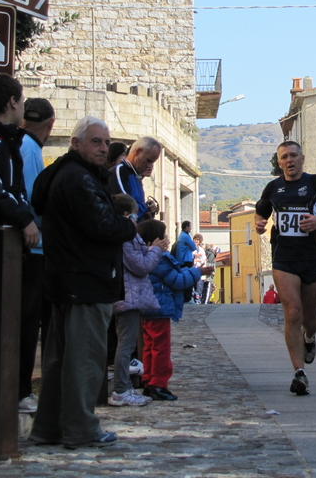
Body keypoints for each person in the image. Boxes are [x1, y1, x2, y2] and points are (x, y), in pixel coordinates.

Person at [28, 116, 137, 449]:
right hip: (86, 281)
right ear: (75, 143)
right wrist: (130, 225)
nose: (103, 148)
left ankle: (48, 427)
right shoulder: (80, 179)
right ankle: (81, 428)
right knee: (85, 359)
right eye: (95, 141)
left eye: (106, 142)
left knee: (60, 359)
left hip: (64, 278)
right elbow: (103, 226)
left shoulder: (60, 174)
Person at [255, 141, 316, 396]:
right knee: (293, 313)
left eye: (293, 155)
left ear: (302, 158)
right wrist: (259, 225)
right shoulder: (273, 187)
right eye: (284, 157)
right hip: (284, 259)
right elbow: (260, 213)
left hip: (313, 259)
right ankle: (299, 373)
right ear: (279, 162)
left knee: (309, 319)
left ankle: (309, 337)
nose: (289, 160)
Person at [0, 74, 41, 417]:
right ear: (13, 103)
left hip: (14, 243)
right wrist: (25, 218)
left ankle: (10, 391)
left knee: (14, 320)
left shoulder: (11, 139)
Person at [139, 219, 214, 401]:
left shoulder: (142, 256)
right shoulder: (160, 259)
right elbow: (178, 280)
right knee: (161, 348)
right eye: (164, 237)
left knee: (149, 346)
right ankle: (159, 384)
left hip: (146, 309)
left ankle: (148, 380)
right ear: (155, 241)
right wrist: (198, 273)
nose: (168, 240)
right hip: (160, 308)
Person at [110, 194, 167, 407]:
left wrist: (151, 247)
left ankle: (123, 387)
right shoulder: (125, 234)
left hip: (129, 295)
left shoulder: (128, 235)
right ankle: (121, 389)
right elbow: (141, 265)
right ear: (127, 214)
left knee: (126, 344)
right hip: (129, 296)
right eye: (135, 214)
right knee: (125, 345)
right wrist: (156, 250)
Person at [19, 97, 55, 412]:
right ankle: (20, 389)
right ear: (51, 125)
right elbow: (34, 202)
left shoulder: (18, 143)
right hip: (34, 247)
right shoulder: (31, 150)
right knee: (29, 321)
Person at [109, 136, 162, 221]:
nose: (150, 166)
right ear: (138, 152)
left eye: (152, 162)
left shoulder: (136, 177)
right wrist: (146, 209)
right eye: (148, 160)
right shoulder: (120, 171)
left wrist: (150, 209)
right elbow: (126, 205)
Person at [192, 233, 208, 303]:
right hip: (192, 269)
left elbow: (203, 259)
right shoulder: (191, 249)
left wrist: (199, 261)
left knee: (198, 285)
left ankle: (198, 298)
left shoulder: (201, 250)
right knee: (192, 285)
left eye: (198, 240)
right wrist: (195, 259)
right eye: (195, 239)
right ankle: (193, 297)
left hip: (198, 269)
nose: (196, 241)